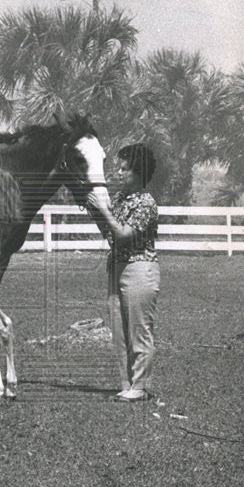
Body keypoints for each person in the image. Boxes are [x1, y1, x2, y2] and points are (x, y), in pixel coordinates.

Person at [86, 143, 159, 402]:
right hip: (117, 267)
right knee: (119, 331)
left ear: (138, 173)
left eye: (124, 169)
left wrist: (103, 210)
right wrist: (95, 210)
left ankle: (139, 386)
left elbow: (123, 234)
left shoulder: (146, 203)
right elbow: (109, 233)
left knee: (139, 329)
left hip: (139, 269)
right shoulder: (120, 200)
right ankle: (127, 383)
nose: (118, 172)